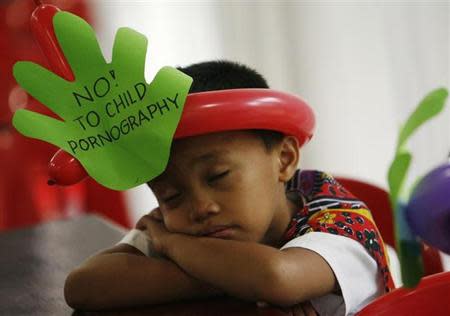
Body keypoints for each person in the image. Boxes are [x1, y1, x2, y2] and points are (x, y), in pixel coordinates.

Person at [64, 60, 395, 316]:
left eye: (217, 176)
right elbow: (84, 286)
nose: (199, 207)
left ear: (283, 159)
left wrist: (171, 246)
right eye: (170, 196)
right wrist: (233, 277)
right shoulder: (180, 227)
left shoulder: (342, 226)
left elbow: (276, 277)